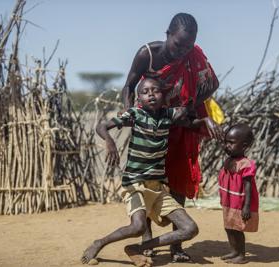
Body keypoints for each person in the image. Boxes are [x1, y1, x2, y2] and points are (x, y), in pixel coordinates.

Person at [121, 12, 222, 262]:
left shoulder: (193, 57)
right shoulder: (148, 54)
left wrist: (192, 104)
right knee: (147, 181)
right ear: (167, 35)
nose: (183, 51)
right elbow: (129, 85)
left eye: (189, 46)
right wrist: (129, 112)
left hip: (181, 126)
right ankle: (146, 240)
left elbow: (212, 83)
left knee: (178, 180)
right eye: (179, 44)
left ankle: (177, 245)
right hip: (152, 126)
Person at [81, 77, 208, 266]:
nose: (151, 94)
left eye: (155, 91)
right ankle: (99, 243)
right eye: (145, 92)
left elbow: (188, 115)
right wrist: (109, 141)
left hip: (157, 188)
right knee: (138, 226)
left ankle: (137, 249)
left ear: (163, 95)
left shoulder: (168, 114)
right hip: (134, 184)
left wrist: (204, 115)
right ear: (138, 98)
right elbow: (102, 126)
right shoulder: (135, 114)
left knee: (190, 229)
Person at [218, 123, 259, 264]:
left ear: (244, 145)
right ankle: (234, 251)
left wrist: (246, 206)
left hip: (239, 203)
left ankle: (241, 254)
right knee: (229, 227)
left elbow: (248, 187)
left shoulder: (246, 164)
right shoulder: (229, 160)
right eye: (226, 142)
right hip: (230, 202)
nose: (227, 145)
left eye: (231, 143)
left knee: (237, 229)